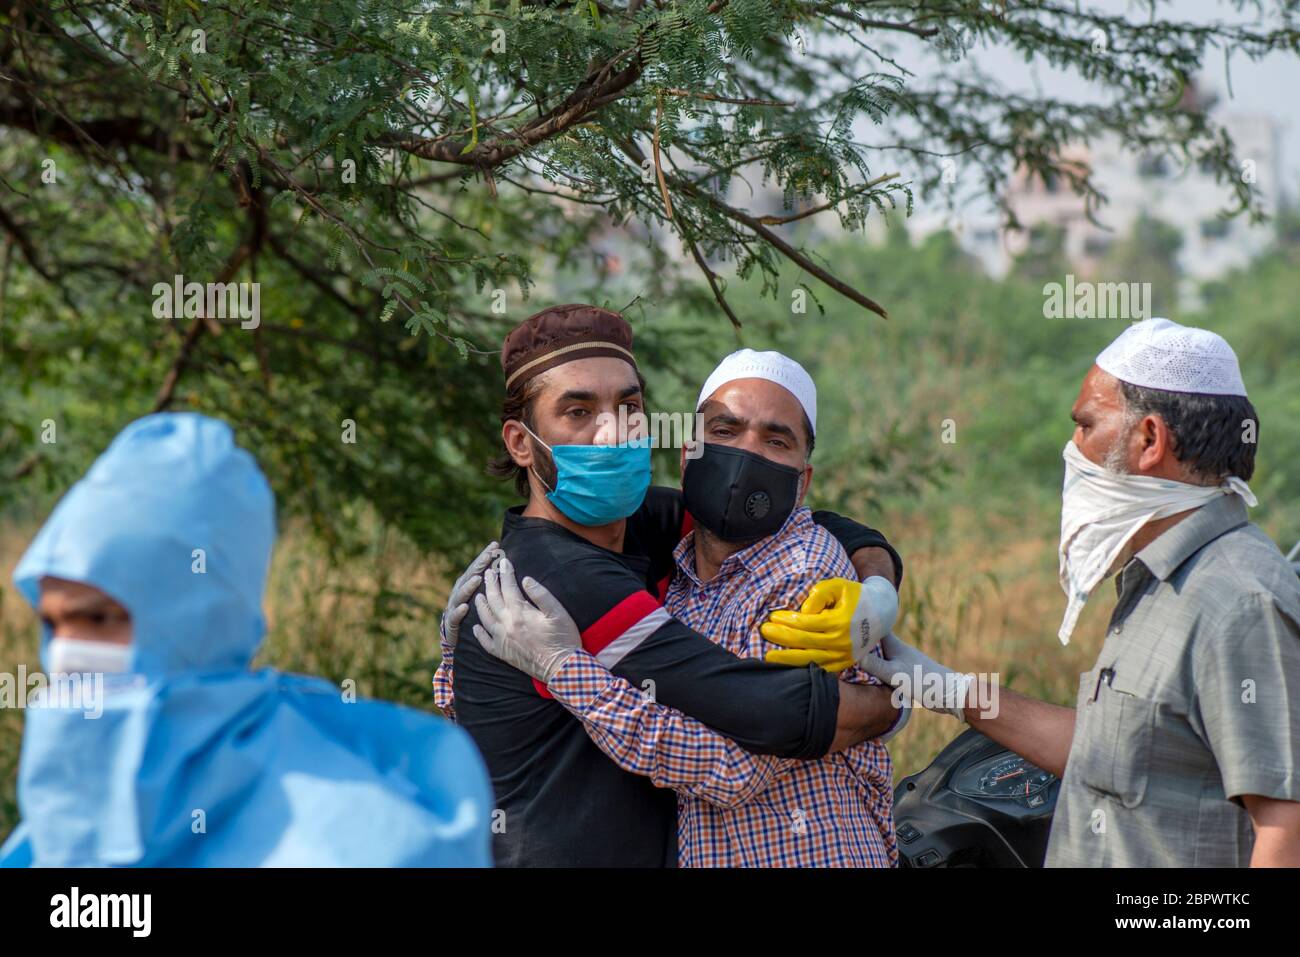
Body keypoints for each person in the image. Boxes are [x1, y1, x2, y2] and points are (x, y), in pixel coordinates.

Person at [767, 317, 1300, 867]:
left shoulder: (1239, 600)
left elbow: (1286, 829)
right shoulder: (1162, 584)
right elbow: (1107, 755)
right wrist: (939, 686)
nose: (1072, 448)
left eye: (1086, 426)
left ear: (1148, 440)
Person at [436, 304, 905, 866]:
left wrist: (878, 587)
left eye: (628, 406)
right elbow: (764, 709)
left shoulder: (638, 525)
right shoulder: (554, 579)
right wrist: (893, 704)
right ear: (520, 442)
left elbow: (800, 520)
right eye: (578, 411)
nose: (610, 429)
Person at [0, 413, 492, 867]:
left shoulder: (361, 835)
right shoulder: (62, 815)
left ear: (197, 615)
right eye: (53, 623)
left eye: (100, 618)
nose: (66, 654)